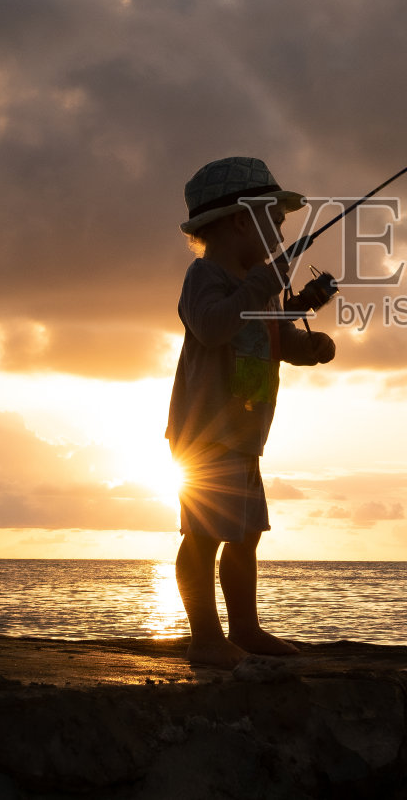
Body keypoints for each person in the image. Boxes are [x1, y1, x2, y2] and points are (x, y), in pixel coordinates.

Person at [166, 156, 336, 668]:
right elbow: (215, 326)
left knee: (244, 536)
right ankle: (205, 637)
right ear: (243, 220)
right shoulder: (205, 278)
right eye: (276, 221)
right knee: (203, 536)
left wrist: (305, 336)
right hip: (207, 436)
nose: (282, 233)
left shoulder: (250, 285)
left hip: (245, 436)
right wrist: (262, 284)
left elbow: (264, 333)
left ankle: (244, 628)